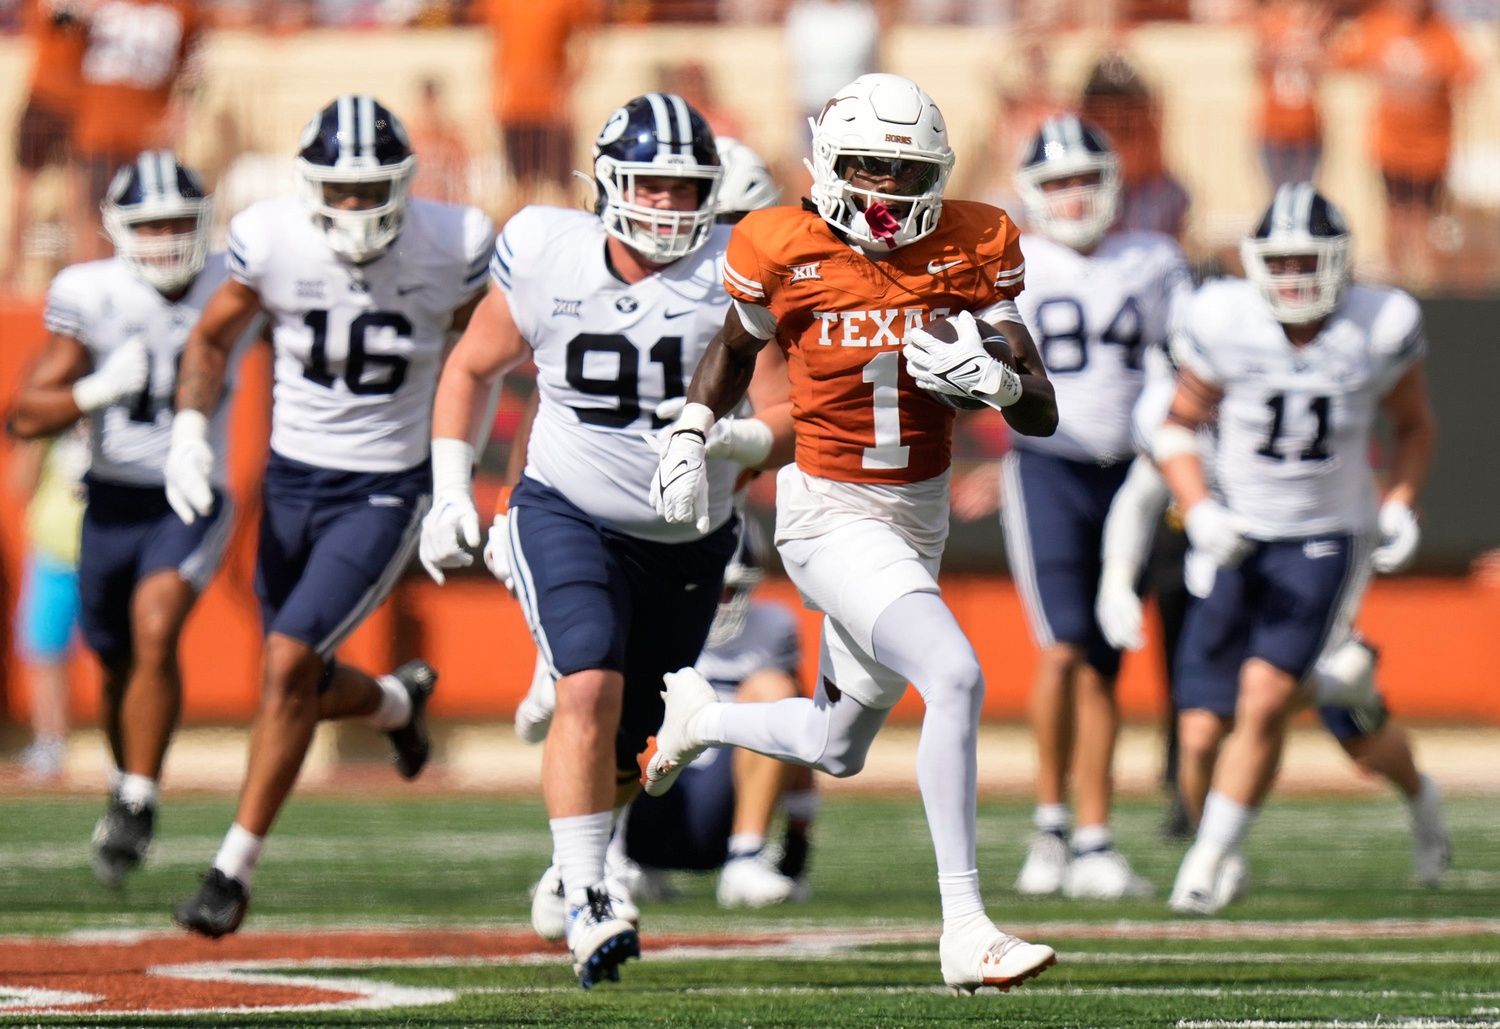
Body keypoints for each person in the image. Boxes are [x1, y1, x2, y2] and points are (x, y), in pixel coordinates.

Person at [645, 72, 1060, 994]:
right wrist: (688, 431)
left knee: (838, 745)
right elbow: (734, 346)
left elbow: (1041, 410)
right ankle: (965, 926)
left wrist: (993, 382)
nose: (888, 188)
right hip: (828, 514)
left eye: (907, 171)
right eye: (869, 166)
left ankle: (702, 718)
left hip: (918, 518)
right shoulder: (780, 243)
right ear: (829, 165)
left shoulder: (974, 239)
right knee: (952, 674)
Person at [418, 92, 790, 989]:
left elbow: (787, 412)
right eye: (651, 184)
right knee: (586, 679)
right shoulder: (548, 250)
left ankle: (565, 862)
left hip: (690, 534)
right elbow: (472, 366)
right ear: (610, 183)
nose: (666, 204)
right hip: (566, 508)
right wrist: (446, 491)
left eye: (684, 187)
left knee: (636, 749)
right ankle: (591, 893)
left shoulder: (737, 271)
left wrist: (731, 437)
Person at [168, 95, 494, 938]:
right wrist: (187, 436)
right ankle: (392, 703)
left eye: (371, 188)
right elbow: (210, 341)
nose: (354, 206)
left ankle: (230, 870)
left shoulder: (452, 242)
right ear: (310, 187)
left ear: (405, 183)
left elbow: (483, 358)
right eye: (339, 191)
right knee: (297, 680)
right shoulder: (270, 236)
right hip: (290, 479)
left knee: (283, 667)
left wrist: (454, 478)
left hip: (383, 486)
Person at [1096, 311, 1451, 905]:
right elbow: (1141, 495)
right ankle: (1215, 850)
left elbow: (1346, 511)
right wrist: (1116, 580)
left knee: (1353, 735)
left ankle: (1421, 797)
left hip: (1303, 576)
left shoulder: (1290, 401)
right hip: (1225, 582)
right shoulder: (1178, 415)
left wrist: (1346, 609)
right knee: (1201, 731)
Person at [1153, 183, 1436, 914]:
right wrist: (1202, 508)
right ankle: (1344, 681)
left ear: (1342, 262)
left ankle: (1207, 859)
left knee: (1265, 694)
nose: (1294, 277)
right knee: (1200, 728)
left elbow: (1412, 426)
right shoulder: (1226, 320)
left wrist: (1399, 502)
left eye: (1309, 261)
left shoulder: (1379, 322)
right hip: (1237, 538)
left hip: (1324, 537)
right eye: (1279, 262)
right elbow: (1176, 427)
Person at [8, 153, 242, 884]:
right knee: (113, 657)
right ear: (119, 230)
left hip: (191, 492)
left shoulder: (232, 280)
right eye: (151, 224)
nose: (168, 236)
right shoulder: (91, 292)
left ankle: (139, 796)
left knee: (155, 623)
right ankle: (124, 780)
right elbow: (24, 412)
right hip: (110, 498)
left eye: (180, 221)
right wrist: (95, 390)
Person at [1002, 115, 1190, 901]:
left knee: (1106, 659)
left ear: (1111, 184)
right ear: (1031, 193)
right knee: (1064, 648)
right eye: (1056, 183)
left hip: (1133, 476)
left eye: (1084, 180)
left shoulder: (1155, 260)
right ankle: (1050, 824)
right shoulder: (1012, 262)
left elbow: (1187, 360)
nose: (1072, 197)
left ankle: (1095, 835)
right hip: (1048, 466)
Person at [1331, 0, 1473, 286]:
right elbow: (1346, 57)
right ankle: (1395, 275)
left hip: (1431, 148)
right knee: (1395, 210)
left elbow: (1465, 72)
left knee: (1423, 214)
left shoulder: (1442, 30)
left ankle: (1423, 280)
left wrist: (1428, 80)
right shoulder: (1382, 24)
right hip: (1391, 146)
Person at [71, 0, 202, 260]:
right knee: (92, 213)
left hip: (149, 139)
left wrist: (181, 111)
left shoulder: (180, 10)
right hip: (99, 131)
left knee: (148, 216)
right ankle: (91, 278)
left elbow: (194, 67)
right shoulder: (97, 7)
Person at [8, 431, 87, 782]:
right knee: (45, 651)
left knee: (117, 653)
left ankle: (122, 749)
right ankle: (50, 745)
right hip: (52, 551)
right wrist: (34, 435)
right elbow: (19, 484)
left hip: (106, 551)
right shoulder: (51, 432)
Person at [482, 0, 602, 202]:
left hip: (551, 109)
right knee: (520, 187)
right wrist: (495, 94)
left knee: (564, 186)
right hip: (514, 108)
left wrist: (567, 86)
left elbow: (586, 43)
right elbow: (497, 44)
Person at [6, 0, 87, 286]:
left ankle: (80, 271)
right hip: (44, 98)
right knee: (25, 188)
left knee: (80, 190)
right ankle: (11, 271)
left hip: (82, 102)